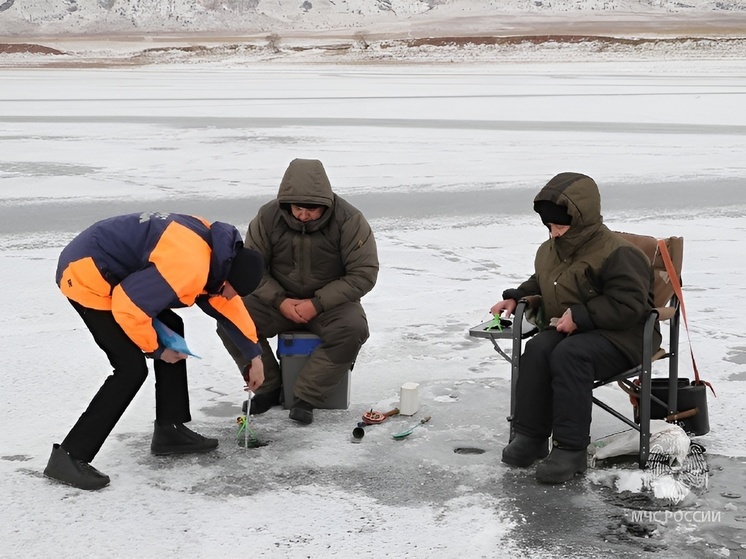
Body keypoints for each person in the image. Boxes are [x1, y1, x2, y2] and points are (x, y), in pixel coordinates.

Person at [44, 211, 266, 491]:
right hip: (88, 274)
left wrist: (253, 354)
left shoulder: (218, 254)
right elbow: (129, 306)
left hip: (114, 267)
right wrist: (157, 349)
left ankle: (169, 430)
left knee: (171, 324)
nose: (229, 296)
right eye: (229, 290)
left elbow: (226, 305)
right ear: (227, 278)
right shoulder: (190, 265)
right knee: (130, 368)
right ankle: (69, 456)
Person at [490, 172, 658, 484]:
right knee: (538, 348)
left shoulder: (619, 252)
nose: (553, 233)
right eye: (549, 226)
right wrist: (516, 298)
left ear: (580, 220)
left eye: (560, 226)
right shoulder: (551, 250)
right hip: (578, 331)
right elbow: (544, 281)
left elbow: (630, 305)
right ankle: (531, 437)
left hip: (625, 337)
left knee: (570, 355)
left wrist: (580, 316)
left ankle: (570, 450)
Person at [219, 158, 379, 425]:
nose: (303, 215)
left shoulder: (350, 220)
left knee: (353, 328)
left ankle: (305, 396)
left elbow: (364, 274)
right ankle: (269, 387)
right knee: (231, 320)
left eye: (312, 209)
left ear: (326, 204)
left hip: (330, 305)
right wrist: (280, 301)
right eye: (297, 208)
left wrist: (316, 304)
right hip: (277, 301)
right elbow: (252, 270)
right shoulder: (267, 217)